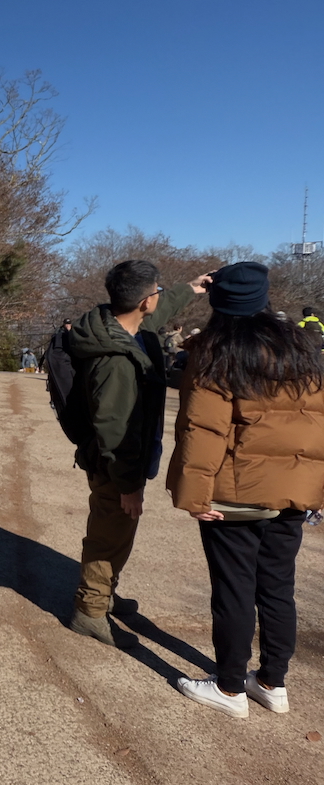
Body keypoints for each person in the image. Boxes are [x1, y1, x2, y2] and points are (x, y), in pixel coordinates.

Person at [168, 262, 324, 718]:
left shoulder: (216, 352)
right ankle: (273, 683)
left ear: (218, 303)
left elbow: (204, 429)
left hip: (235, 497)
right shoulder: (302, 348)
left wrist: (194, 496)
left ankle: (230, 688)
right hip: (293, 492)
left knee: (234, 589)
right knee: (277, 588)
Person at [65, 260, 211, 646]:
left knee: (119, 531)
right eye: (157, 291)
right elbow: (114, 429)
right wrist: (129, 484)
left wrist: (190, 288)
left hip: (120, 462)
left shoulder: (122, 325)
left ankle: (104, 593)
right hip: (114, 465)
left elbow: (158, 310)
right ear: (144, 301)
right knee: (109, 533)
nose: (160, 297)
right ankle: (89, 611)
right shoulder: (115, 359)